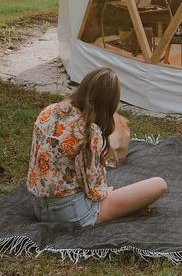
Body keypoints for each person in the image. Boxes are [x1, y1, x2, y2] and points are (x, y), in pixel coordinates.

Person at [26, 67, 167, 227]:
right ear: (109, 104)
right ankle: (126, 210)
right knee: (159, 184)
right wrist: (108, 192)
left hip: (40, 208)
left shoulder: (48, 111)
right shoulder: (89, 132)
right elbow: (94, 192)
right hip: (72, 213)